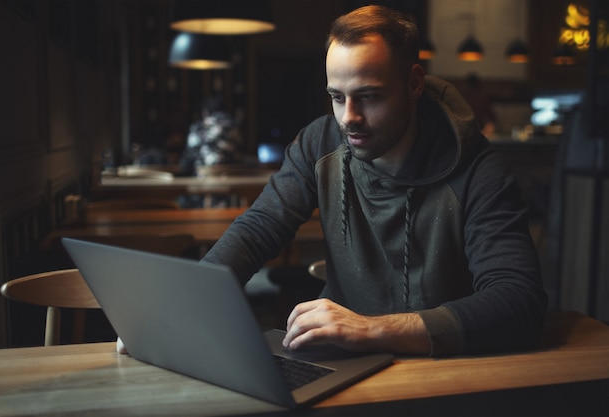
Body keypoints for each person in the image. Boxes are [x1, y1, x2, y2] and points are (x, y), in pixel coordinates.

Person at [119, 5, 547, 356]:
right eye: (337, 98)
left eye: (370, 97)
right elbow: (258, 229)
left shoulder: (480, 170)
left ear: (414, 83)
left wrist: (374, 329)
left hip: (447, 368)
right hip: (345, 364)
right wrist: (174, 309)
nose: (349, 118)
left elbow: (518, 301)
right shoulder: (319, 141)